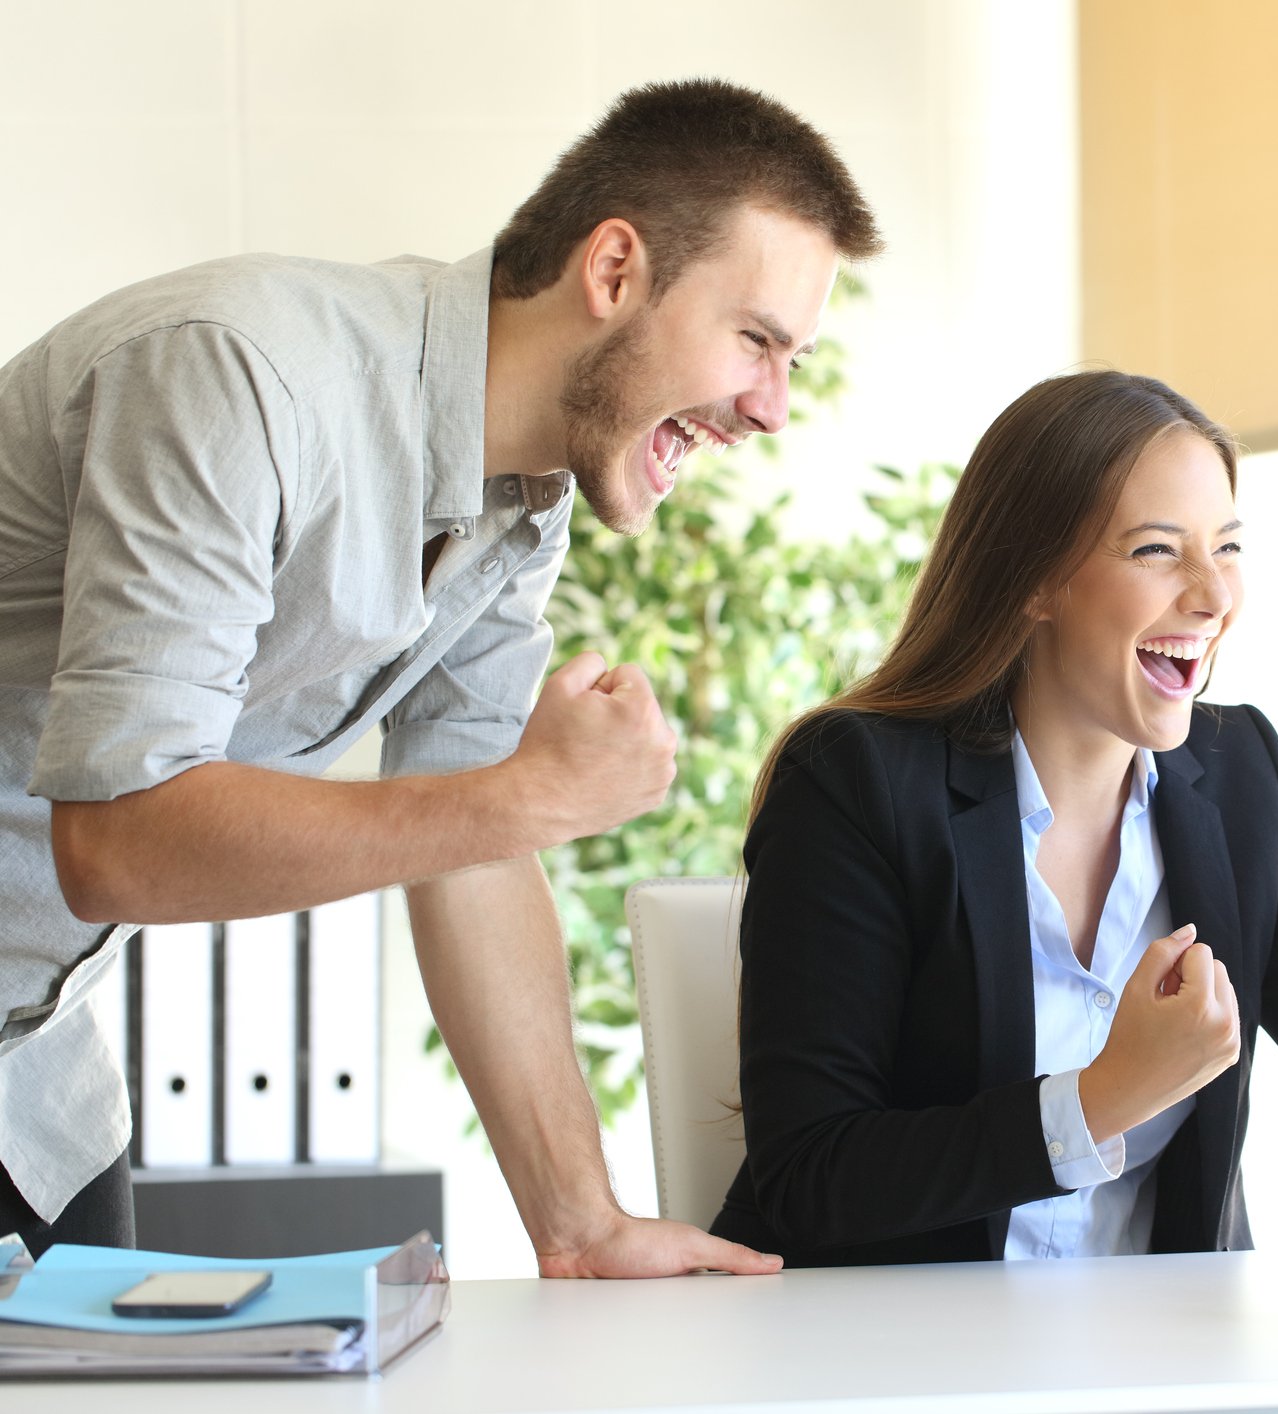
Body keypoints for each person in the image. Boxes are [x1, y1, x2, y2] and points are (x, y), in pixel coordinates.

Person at [0, 79, 881, 1272]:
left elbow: (475, 846)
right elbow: (115, 839)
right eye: (758, 341)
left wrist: (582, 1227)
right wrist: (530, 793)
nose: (772, 408)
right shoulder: (237, 377)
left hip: (34, 1065)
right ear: (615, 270)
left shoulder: (525, 507)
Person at [711, 371, 1278, 1267]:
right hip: (893, 1362)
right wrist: (1100, 1099)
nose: (1212, 596)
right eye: (1157, 551)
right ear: (1033, 578)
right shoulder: (858, 783)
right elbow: (808, 1178)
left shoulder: (1237, 782)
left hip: (1152, 1360)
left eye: (1226, 548)